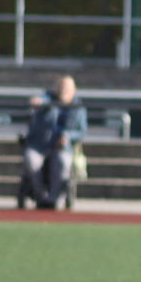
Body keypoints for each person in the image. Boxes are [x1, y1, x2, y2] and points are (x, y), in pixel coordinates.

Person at [20, 74, 87, 209]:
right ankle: (40, 197)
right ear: (55, 88)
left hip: (62, 148)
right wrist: (38, 102)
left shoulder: (78, 107)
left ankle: (53, 199)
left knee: (62, 163)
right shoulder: (48, 99)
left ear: (73, 90)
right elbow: (41, 100)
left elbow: (81, 132)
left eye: (66, 87)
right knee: (31, 161)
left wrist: (67, 136)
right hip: (40, 146)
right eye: (60, 86)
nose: (63, 90)